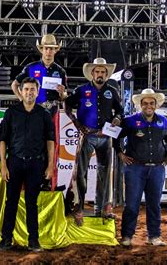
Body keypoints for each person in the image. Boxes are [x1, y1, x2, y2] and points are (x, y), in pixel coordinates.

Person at [0, 77, 55, 252]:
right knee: (11, 202)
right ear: (20, 91)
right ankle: (6, 240)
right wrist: (4, 165)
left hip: (36, 164)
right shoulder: (11, 112)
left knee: (32, 203)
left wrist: (50, 165)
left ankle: (33, 241)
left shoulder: (44, 114)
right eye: (26, 89)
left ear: (38, 92)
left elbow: (50, 141)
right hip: (14, 162)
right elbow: (2, 140)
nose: (29, 92)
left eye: (32, 89)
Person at [64, 57, 123, 226]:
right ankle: (79, 207)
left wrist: (118, 117)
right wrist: (76, 123)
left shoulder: (112, 91)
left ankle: (102, 208)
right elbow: (67, 104)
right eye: (97, 71)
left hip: (105, 136)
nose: (100, 74)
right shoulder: (81, 90)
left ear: (106, 74)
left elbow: (120, 110)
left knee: (104, 173)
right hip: (87, 135)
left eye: (103, 72)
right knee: (81, 173)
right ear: (92, 73)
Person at [113, 89, 167, 247]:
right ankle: (127, 236)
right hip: (135, 168)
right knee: (132, 204)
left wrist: (166, 157)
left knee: (154, 204)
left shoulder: (164, 121)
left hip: (157, 169)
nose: (148, 106)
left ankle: (154, 236)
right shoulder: (130, 121)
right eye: (145, 103)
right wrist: (120, 153)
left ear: (156, 105)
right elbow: (116, 137)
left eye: (151, 103)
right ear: (140, 105)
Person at [11, 34, 67, 190]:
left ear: (56, 50)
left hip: (52, 111)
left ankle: (48, 179)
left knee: (51, 145)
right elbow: (15, 84)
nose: (49, 51)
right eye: (46, 48)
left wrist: (62, 93)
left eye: (52, 49)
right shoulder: (31, 67)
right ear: (41, 49)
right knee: (33, 144)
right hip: (34, 111)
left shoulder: (60, 71)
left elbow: (64, 97)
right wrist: (22, 100)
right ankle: (29, 181)